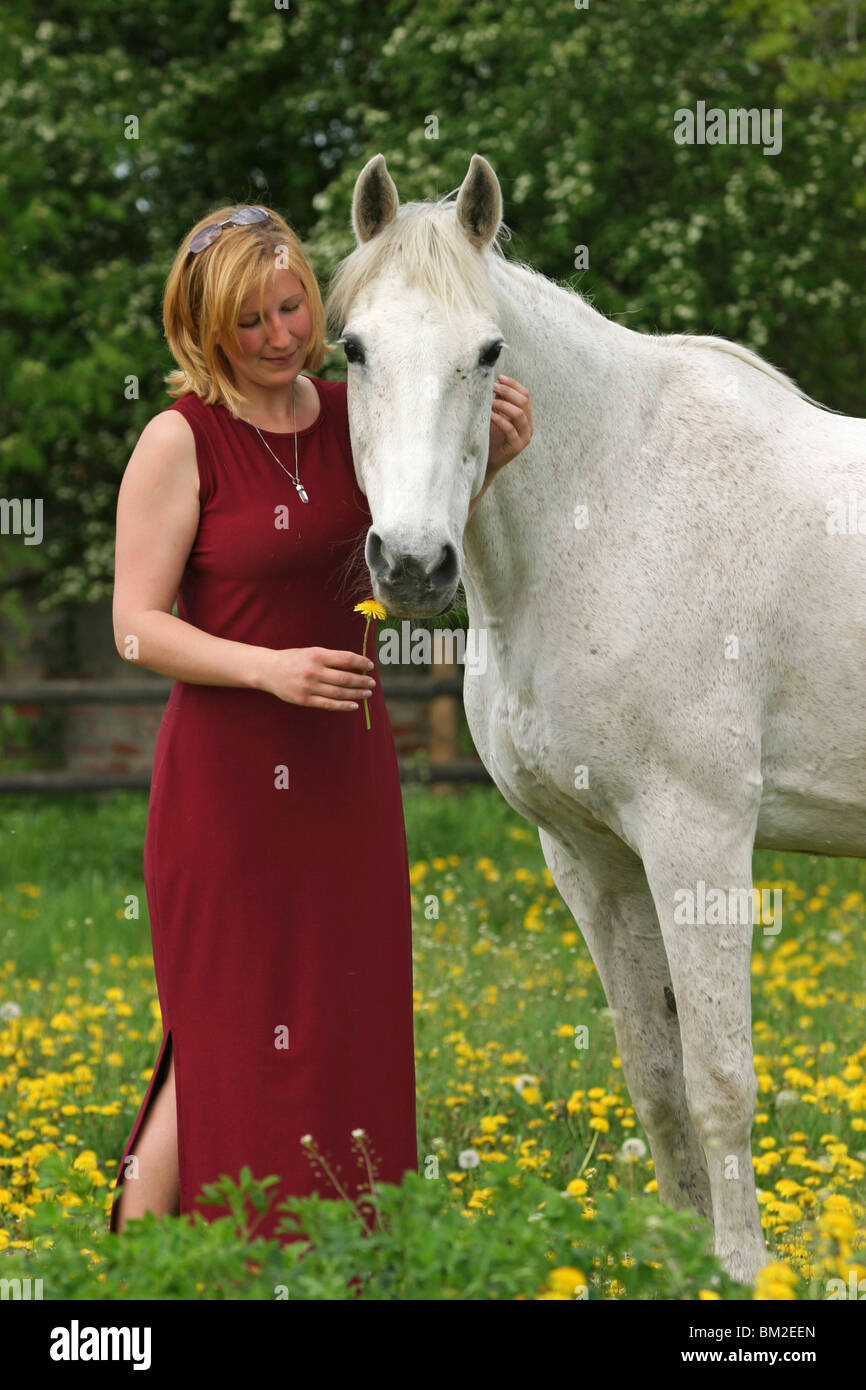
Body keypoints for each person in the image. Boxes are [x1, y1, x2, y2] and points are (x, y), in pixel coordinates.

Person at [107, 202, 533, 1245]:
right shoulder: (180, 439)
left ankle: (344, 1257)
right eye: (250, 322)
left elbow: (404, 548)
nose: (280, 335)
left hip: (344, 774)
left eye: (292, 305)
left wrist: (498, 466)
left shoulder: (357, 409)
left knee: (345, 1022)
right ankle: (133, 1270)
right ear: (204, 329)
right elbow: (133, 628)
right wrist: (268, 670)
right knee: (219, 1034)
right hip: (225, 786)